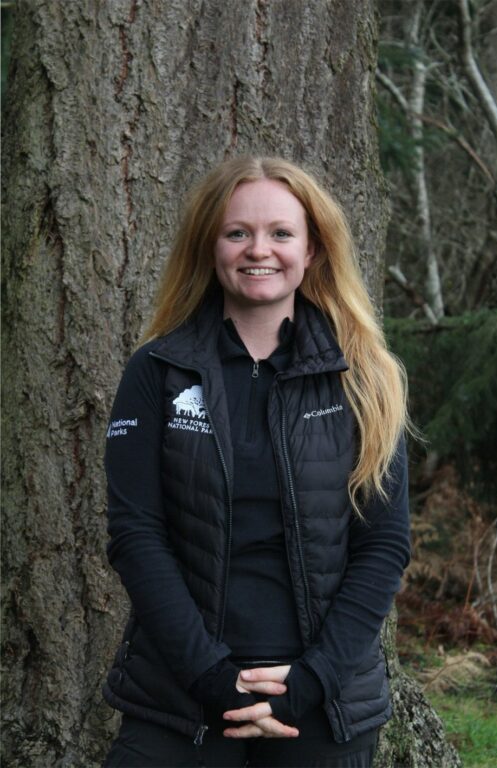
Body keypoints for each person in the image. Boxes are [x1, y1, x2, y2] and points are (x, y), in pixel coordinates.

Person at [102, 156, 411, 767]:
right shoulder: (157, 371)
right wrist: (213, 679)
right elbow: (135, 534)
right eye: (237, 232)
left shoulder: (366, 378)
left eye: (280, 233)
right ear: (210, 247)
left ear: (313, 250)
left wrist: (310, 682)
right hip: (180, 694)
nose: (257, 250)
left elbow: (384, 545)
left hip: (324, 699)